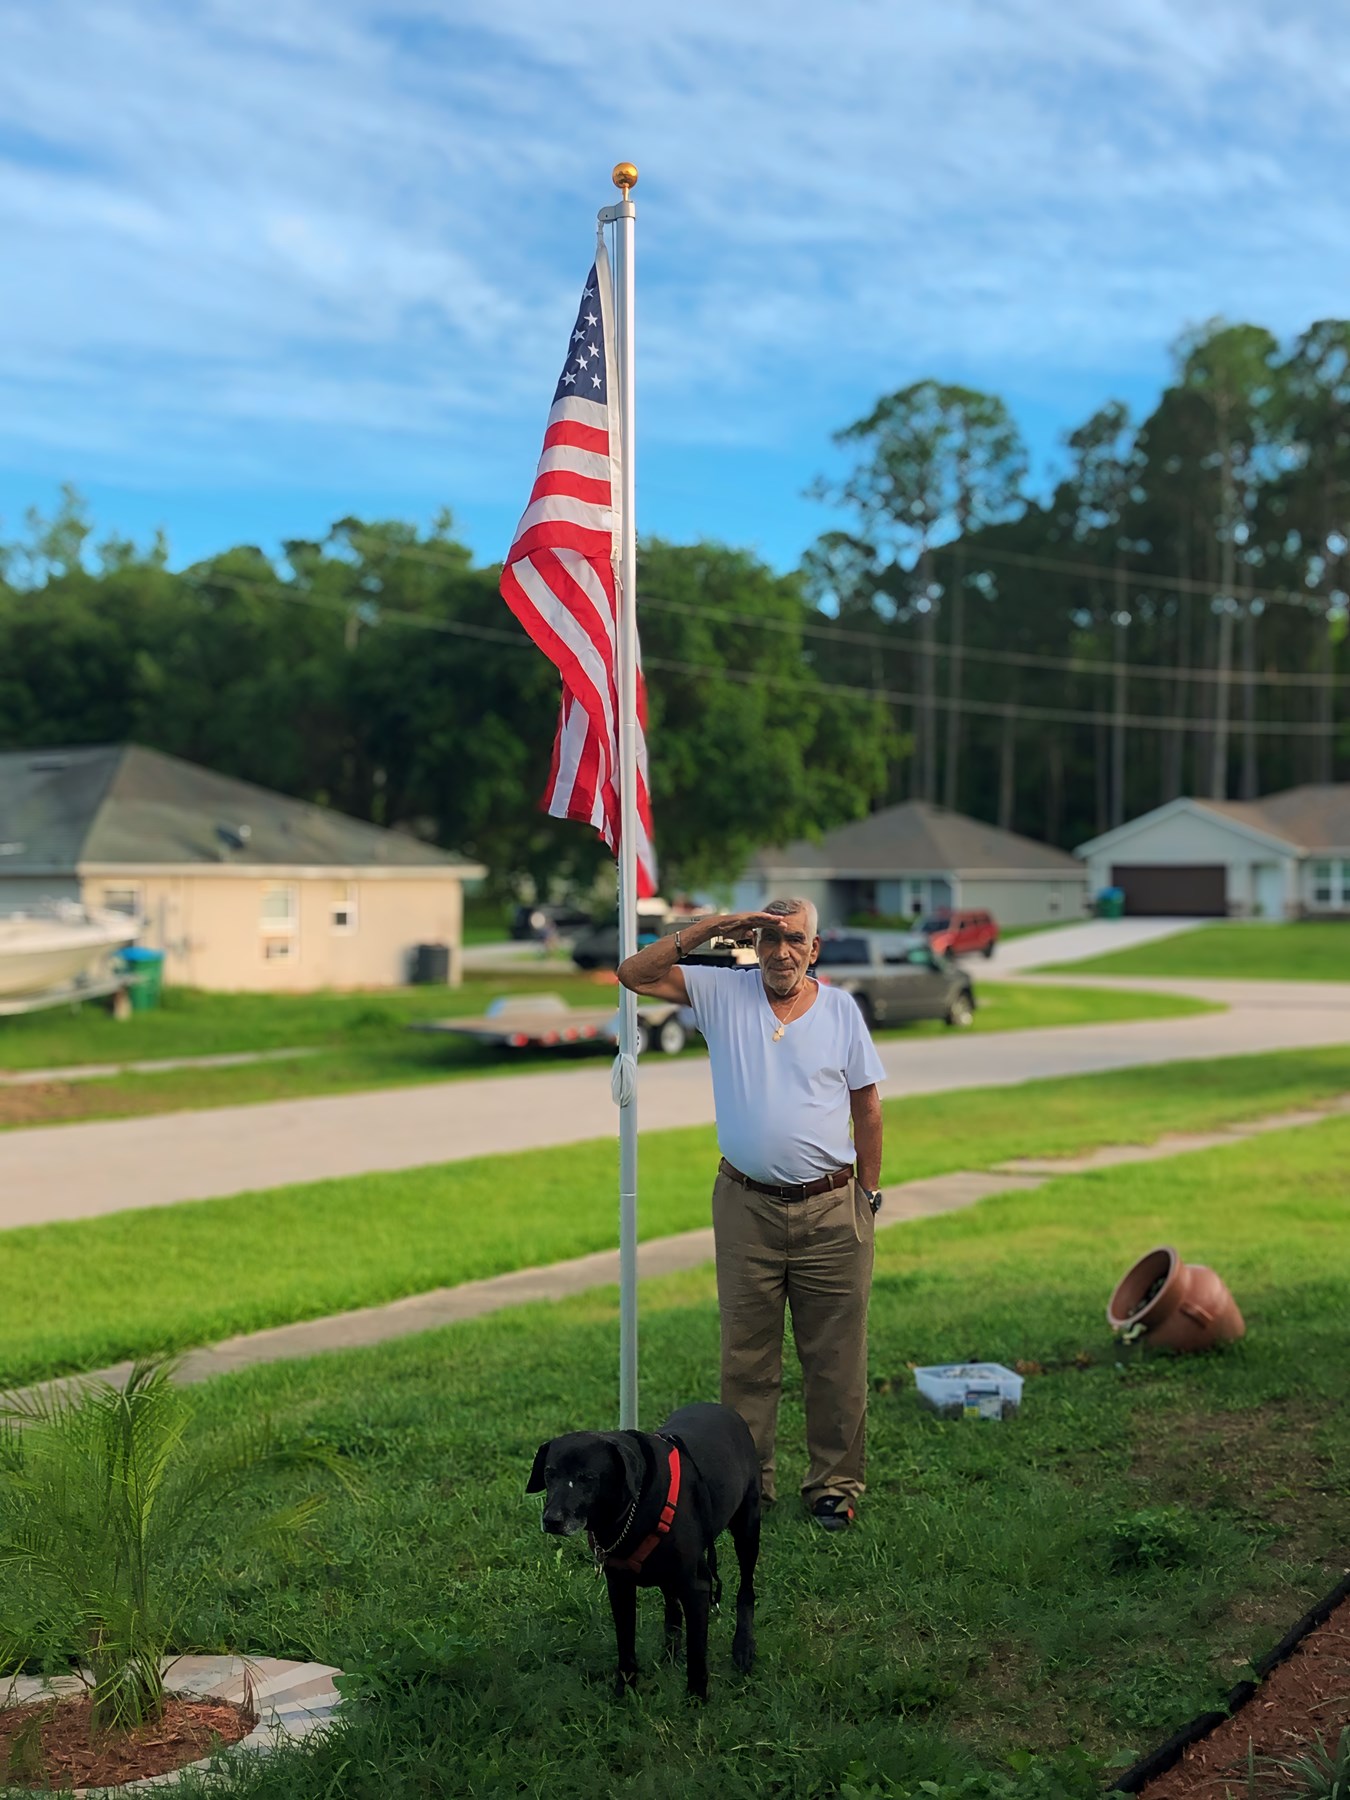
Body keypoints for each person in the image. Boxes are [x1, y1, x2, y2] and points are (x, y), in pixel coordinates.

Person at [617, 897, 885, 1531]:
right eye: (768, 939)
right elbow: (634, 973)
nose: (781, 951)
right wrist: (713, 929)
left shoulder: (841, 1011)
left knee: (835, 1358)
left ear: (814, 950)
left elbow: (867, 1107)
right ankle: (747, 1485)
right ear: (753, 946)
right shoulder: (721, 992)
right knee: (747, 1358)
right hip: (745, 1209)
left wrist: (867, 1197)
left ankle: (832, 1486)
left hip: (831, 1209)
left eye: (794, 940)